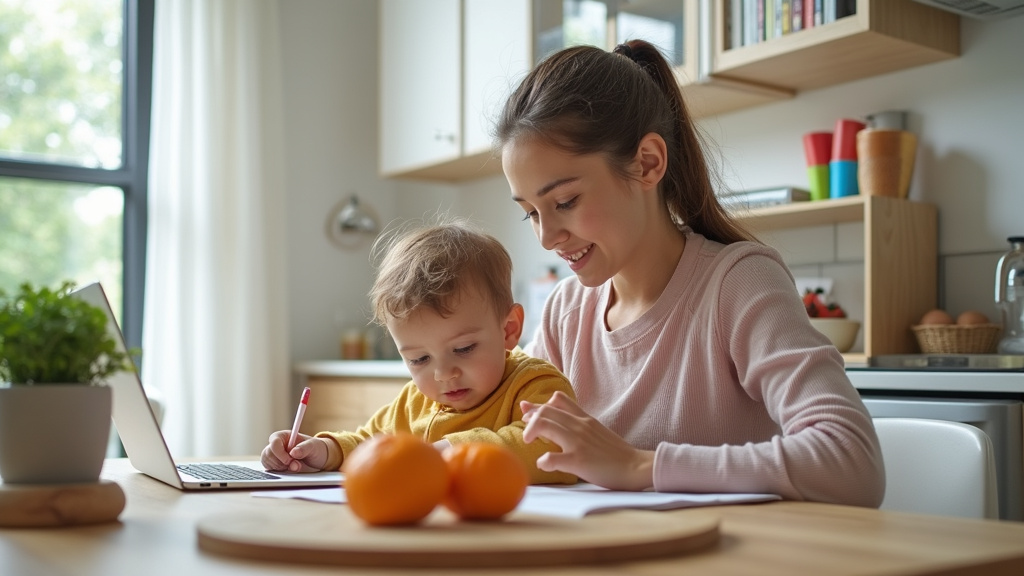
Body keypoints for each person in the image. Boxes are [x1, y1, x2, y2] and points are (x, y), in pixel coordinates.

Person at [496, 39, 885, 506]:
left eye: (565, 202)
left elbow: (853, 461)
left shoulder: (737, 283)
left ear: (648, 163)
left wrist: (640, 466)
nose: (546, 237)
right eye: (531, 213)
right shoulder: (565, 312)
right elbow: (507, 435)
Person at [260, 219, 576, 485]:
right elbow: (371, 444)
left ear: (508, 330)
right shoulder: (415, 402)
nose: (443, 374)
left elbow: (555, 446)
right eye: (419, 359)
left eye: (463, 348)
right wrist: (325, 451)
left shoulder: (535, 384)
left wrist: (447, 452)